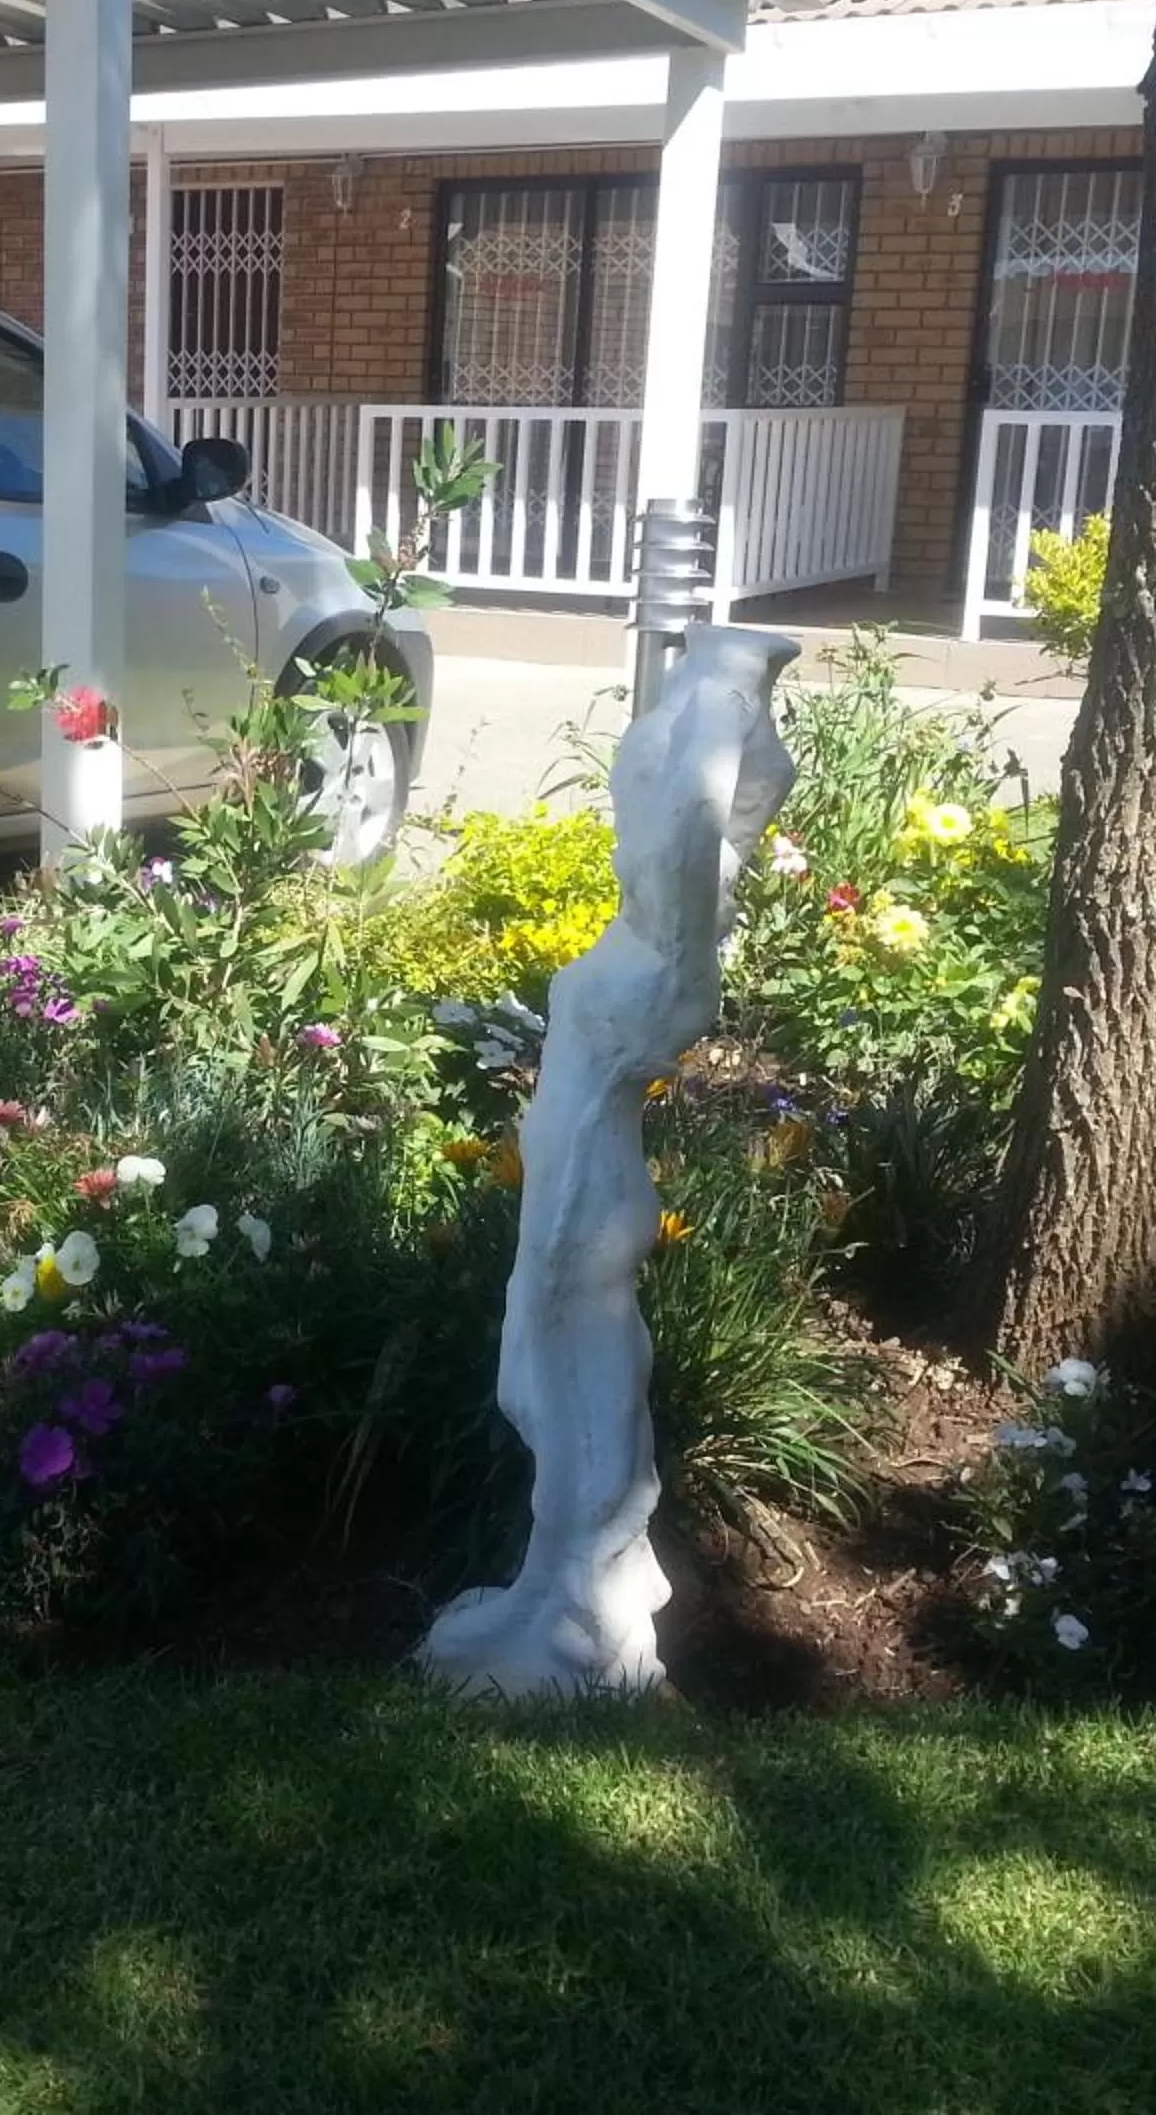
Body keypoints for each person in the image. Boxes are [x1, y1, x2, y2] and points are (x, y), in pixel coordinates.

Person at [420, 625, 799, 1698]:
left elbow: (698, 812)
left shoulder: (663, 954)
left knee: (561, 1352)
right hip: (586, 1152)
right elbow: (712, 796)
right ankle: (567, 1580)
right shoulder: (649, 935)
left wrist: (722, 711)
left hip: (595, 1167)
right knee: (542, 1362)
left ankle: (584, 1607)